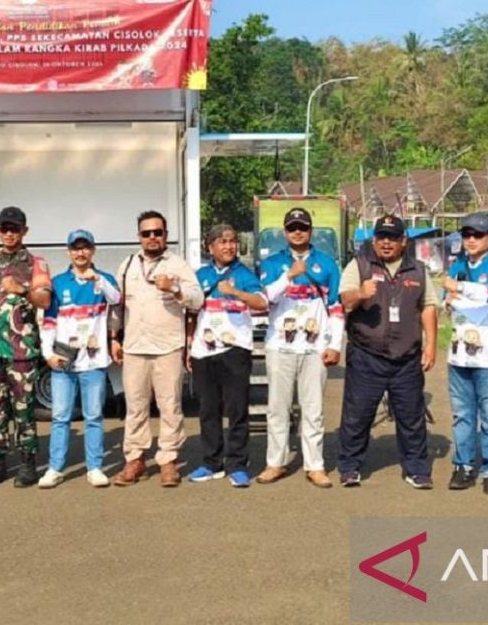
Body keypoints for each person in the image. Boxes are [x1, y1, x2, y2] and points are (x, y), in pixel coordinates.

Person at [337, 214, 438, 490]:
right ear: (374, 239)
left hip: (406, 357)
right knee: (357, 414)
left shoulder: (418, 270)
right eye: (381, 236)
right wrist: (360, 293)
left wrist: (430, 344)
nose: (386, 242)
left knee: (412, 416)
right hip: (367, 353)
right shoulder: (359, 265)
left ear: (403, 241)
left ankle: (416, 468)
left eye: (392, 237)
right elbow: (345, 300)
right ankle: (349, 466)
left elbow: (428, 306)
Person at [111, 210, 203, 488]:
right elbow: (116, 303)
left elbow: (197, 300)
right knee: (135, 407)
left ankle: (168, 461)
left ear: (166, 234)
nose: (152, 237)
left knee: (170, 406)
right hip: (135, 346)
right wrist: (114, 337)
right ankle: (135, 459)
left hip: (168, 347)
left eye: (158, 232)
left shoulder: (178, 264)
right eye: (146, 233)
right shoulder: (127, 265)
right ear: (138, 236)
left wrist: (175, 289)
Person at [256, 207, 343, 489]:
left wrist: (335, 344)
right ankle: (275, 462)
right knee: (277, 407)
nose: (297, 232)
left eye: (302, 227)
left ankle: (315, 465)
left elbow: (336, 307)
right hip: (280, 346)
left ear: (310, 231)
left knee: (313, 408)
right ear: (284, 232)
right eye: (292, 228)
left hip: (315, 347)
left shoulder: (327, 264)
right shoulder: (272, 263)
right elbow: (264, 299)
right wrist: (290, 277)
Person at [37, 229, 121, 489]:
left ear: (93, 250)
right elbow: (48, 322)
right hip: (63, 361)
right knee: (60, 416)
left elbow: (117, 299)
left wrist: (98, 279)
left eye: (85, 247)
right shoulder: (58, 282)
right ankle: (55, 468)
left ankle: (94, 467)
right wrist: (47, 354)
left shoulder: (103, 279)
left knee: (93, 416)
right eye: (76, 248)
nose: (81, 252)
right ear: (69, 252)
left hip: (93, 361)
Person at [441, 213, 488, 496]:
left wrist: (460, 290)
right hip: (460, 354)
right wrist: (452, 298)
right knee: (462, 415)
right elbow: (447, 304)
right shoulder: (457, 266)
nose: (471, 240)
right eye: (467, 234)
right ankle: (463, 465)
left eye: (478, 235)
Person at [0, 206, 53, 488]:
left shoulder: (36, 263)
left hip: (21, 350)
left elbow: (44, 300)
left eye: (15, 229)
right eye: (5, 228)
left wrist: (21, 290)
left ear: (25, 231)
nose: (10, 233)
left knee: (23, 409)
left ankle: (27, 463)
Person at [188, 224, 267, 488]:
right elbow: (191, 311)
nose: (229, 246)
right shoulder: (200, 275)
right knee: (208, 410)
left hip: (235, 350)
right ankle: (211, 463)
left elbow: (261, 302)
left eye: (232, 241)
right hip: (204, 350)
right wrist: (189, 343)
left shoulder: (244, 274)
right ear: (210, 247)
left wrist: (235, 292)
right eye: (222, 241)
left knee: (236, 410)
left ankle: (236, 464)